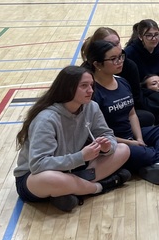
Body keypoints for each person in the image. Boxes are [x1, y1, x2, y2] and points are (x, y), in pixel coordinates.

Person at [13, 66, 131, 212]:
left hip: (72, 169)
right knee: (50, 179)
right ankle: (99, 187)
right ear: (68, 88)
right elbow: (38, 165)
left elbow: (107, 134)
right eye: (84, 86)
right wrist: (80, 157)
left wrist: (108, 147)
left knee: (123, 149)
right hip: (35, 177)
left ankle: (69, 190)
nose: (91, 91)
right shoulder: (46, 119)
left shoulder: (91, 107)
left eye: (91, 85)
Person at [84, 40, 159, 185]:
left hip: (131, 136)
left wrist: (140, 139)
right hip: (114, 143)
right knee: (147, 154)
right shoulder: (93, 92)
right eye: (113, 59)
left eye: (120, 56)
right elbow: (96, 135)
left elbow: (132, 114)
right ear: (97, 64)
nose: (120, 61)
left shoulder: (122, 82)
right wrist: (131, 143)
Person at [81, 27, 155, 127]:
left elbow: (135, 98)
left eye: (117, 43)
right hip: (102, 117)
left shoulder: (129, 66)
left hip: (126, 110)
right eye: (109, 44)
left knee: (149, 116)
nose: (115, 47)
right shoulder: (86, 72)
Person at [125, 19, 159, 84]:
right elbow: (128, 80)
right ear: (140, 36)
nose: (154, 38)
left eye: (156, 34)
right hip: (142, 90)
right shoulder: (129, 53)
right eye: (149, 35)